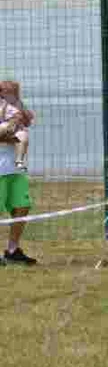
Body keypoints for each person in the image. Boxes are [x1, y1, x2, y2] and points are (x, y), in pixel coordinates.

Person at [0, 80, 35, 265]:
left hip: (14, 168)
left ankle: (12, 250)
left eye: (14, 91)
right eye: (8, 91)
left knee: (22, 206)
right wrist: (10, 134)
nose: (11, 93)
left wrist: (20, 117)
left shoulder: (15, 107)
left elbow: (27, 122)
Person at [0, 80, 33, 171]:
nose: (12, 95)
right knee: (4, 126)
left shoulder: (18, 104)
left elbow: (28, 122)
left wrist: (23, 112)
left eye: (14, 93)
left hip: (11, 136)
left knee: (23, 136)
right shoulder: (3, 105)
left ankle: (19, 161)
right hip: (3, 133)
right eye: (8, 93)